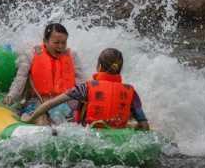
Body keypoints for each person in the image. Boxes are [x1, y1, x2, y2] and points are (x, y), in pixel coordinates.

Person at [22, 48, 150, 130]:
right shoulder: (131, 92)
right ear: (119, 69)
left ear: (99, 67)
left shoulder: (86, 88)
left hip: (88, 135)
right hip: (117, 137)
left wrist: (30, 118)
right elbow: (144, 125)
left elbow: (49, 104)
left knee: (54, 115)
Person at [3, 23, 84, 125]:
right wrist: (11, 97)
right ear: (45, 41)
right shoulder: (30, 55)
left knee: (69, 120)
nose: (60, 46)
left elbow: (81, 83)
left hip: (64, 103)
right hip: (38, 103)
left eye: (64, 43)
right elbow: (20, 79)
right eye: (56, 42)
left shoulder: (72, 55)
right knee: (42, 121)